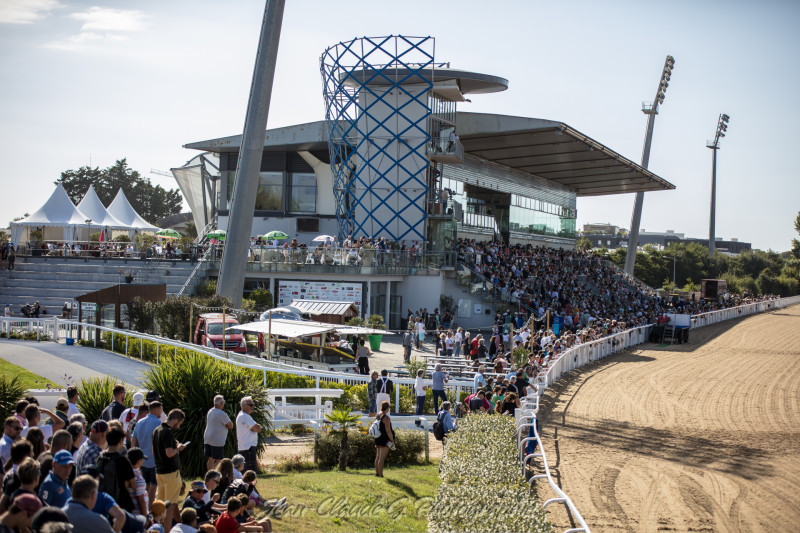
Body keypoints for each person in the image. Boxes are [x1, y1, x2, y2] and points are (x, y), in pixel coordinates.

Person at [153, 409, 187, 530]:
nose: (179, 426)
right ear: (175, 420)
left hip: (159, 471)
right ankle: (166, 531)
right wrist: (179, 448)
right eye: (180, 423)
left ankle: (158, 529)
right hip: (170, 473)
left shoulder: (157, 430)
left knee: (161, 505)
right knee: (170, 506)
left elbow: (156, 450)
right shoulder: (167, 432)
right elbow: (169, 453)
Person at [96, 428, 136, 513]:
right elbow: (133, 484)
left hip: (103, 501)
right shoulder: (123, 460)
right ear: (121, 440)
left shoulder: (101, 457)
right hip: (120, 503)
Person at [132, 400, 163, 505]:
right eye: (161, 410)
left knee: (145, 487)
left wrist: (134, 457)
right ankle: (149, 509)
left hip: (142, 460)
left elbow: (134, 441)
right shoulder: (158, 423)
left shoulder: (139, 422)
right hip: (154, 461)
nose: (161, 413)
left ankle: (143, 506)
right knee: (154, 487)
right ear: (156, 409)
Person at [203, 396, 233, 472]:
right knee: (219, 459)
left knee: (210, 458)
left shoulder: (210, 411)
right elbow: (230, 426)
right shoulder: (222, 414)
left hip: (208, 437)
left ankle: (209, 474)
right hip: (217, 439)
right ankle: (214, 475)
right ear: (221, 403)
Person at [235, 398, 261, 474]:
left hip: (246, 447)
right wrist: (255, 428)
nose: (252, 407)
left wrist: (256, 427)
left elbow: (258, 428)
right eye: (250, 405)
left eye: (253, 405)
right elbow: (257, 428)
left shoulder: (244, 416)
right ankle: (249, 486)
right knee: (250, 473)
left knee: (246, 472)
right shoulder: (244, 416)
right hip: (248, 448)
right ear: (244, 406)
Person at [372, 401, 394, 478]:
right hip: (384, 439)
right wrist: (392, 440)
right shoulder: (386, 418)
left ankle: (377, 473)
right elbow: (388, 431)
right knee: (381, 458)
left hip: (378, 437)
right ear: (387, 408)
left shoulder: (378, 415)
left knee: (377, 457)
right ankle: (381, 474)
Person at [127, 448, 148, 517]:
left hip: (128, 512)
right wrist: (145, 517)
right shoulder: (139, 478)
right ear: (138, 461)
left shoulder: (125, 473)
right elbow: (141, 500)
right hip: (138, 514)